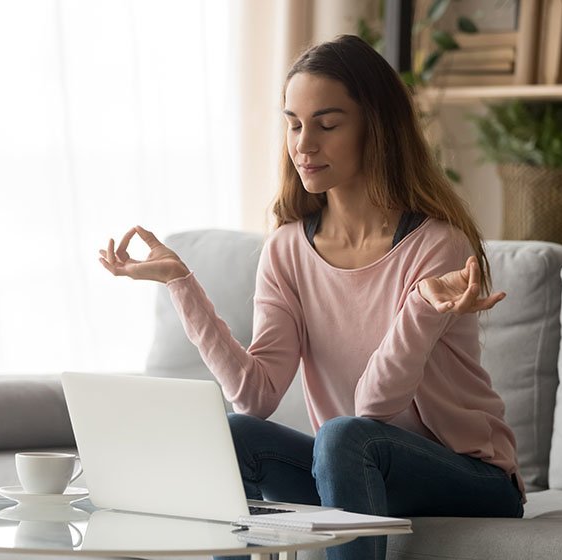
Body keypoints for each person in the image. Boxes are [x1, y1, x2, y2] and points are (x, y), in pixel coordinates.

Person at [99, 34, 526, 560]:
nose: (303, 144)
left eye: (327, 125)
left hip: (470, 477)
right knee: (233, 435)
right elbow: (255, 396)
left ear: (376, 128)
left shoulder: (437, 245)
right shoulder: (286, 249)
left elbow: (373, 409)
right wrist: (180, 286)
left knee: (346, 436)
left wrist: (418, 305)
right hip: (351, 464)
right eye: (294, 124)